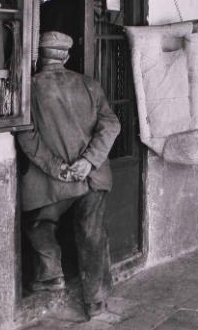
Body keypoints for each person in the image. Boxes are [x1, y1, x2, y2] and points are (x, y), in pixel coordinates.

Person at [17, 31, 121, 320]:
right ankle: (96, 303)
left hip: (55, 182)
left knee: (38, 222)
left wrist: (57, 167)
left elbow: (28, 138)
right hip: (92, 176)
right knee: (93, 233)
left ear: (38, 56)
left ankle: (51, 274)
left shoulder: (30, 88)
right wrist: (88, 161)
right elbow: (111, 124)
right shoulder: (88, 84)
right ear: (66, 57)